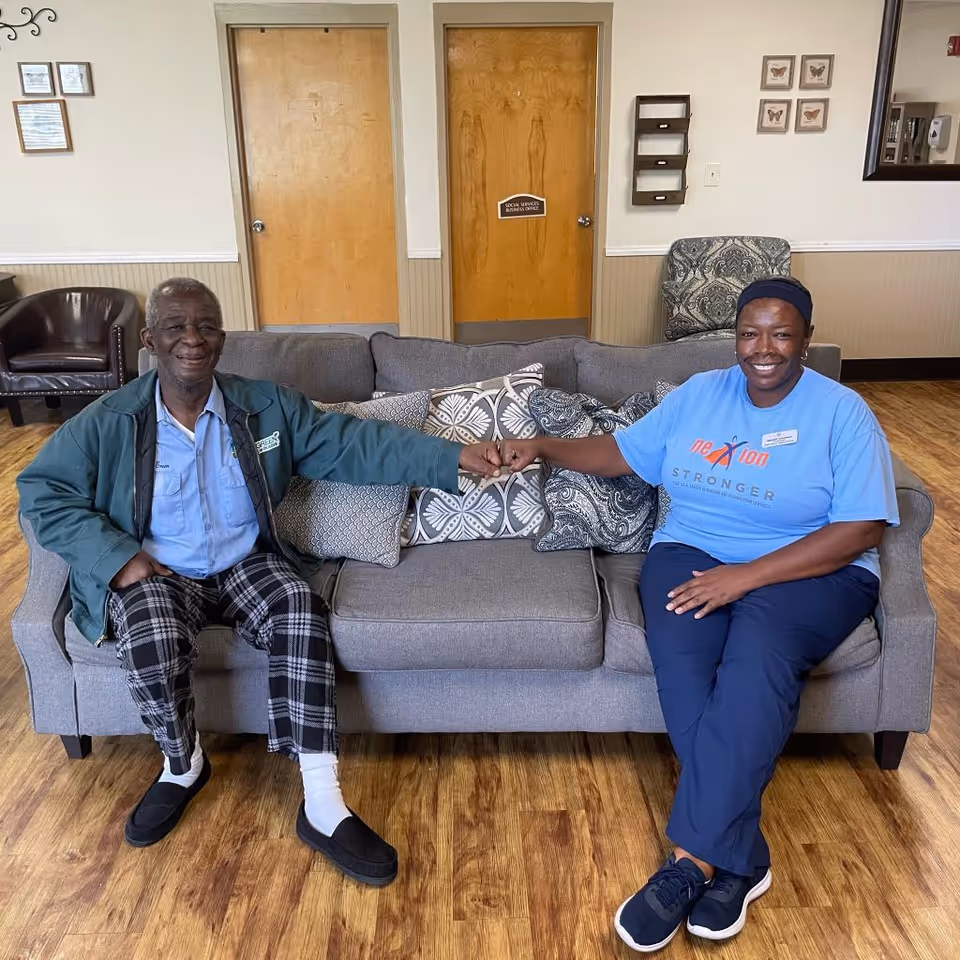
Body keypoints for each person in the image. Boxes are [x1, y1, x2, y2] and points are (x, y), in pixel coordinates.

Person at [17, 277, 502, 887]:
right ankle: (182, 764)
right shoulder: (110, 420)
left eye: (206, 326)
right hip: (161, 569)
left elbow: (353, 443)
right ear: (150, 341)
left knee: (300, 609)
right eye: (175, 327)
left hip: (247, 560)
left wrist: (450, 457)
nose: (192, 339)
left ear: (223, 337)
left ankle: (323, 805)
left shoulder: (265, 407)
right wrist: (119, 557)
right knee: (147, 629)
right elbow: (40, 489)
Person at [500, 276, 898, 951]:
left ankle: (691, 865)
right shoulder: (699, 396)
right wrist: (545, 448)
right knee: (686, 677)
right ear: (734, 335)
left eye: (779, 333)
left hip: (813, 568)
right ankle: (743, 857)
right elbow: (624, 455)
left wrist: (746, 577)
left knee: (760, 658)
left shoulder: (843, 411)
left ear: (804, 338)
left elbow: (861, 528)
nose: (762, 348)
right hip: (689, 552)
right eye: (750, 332)